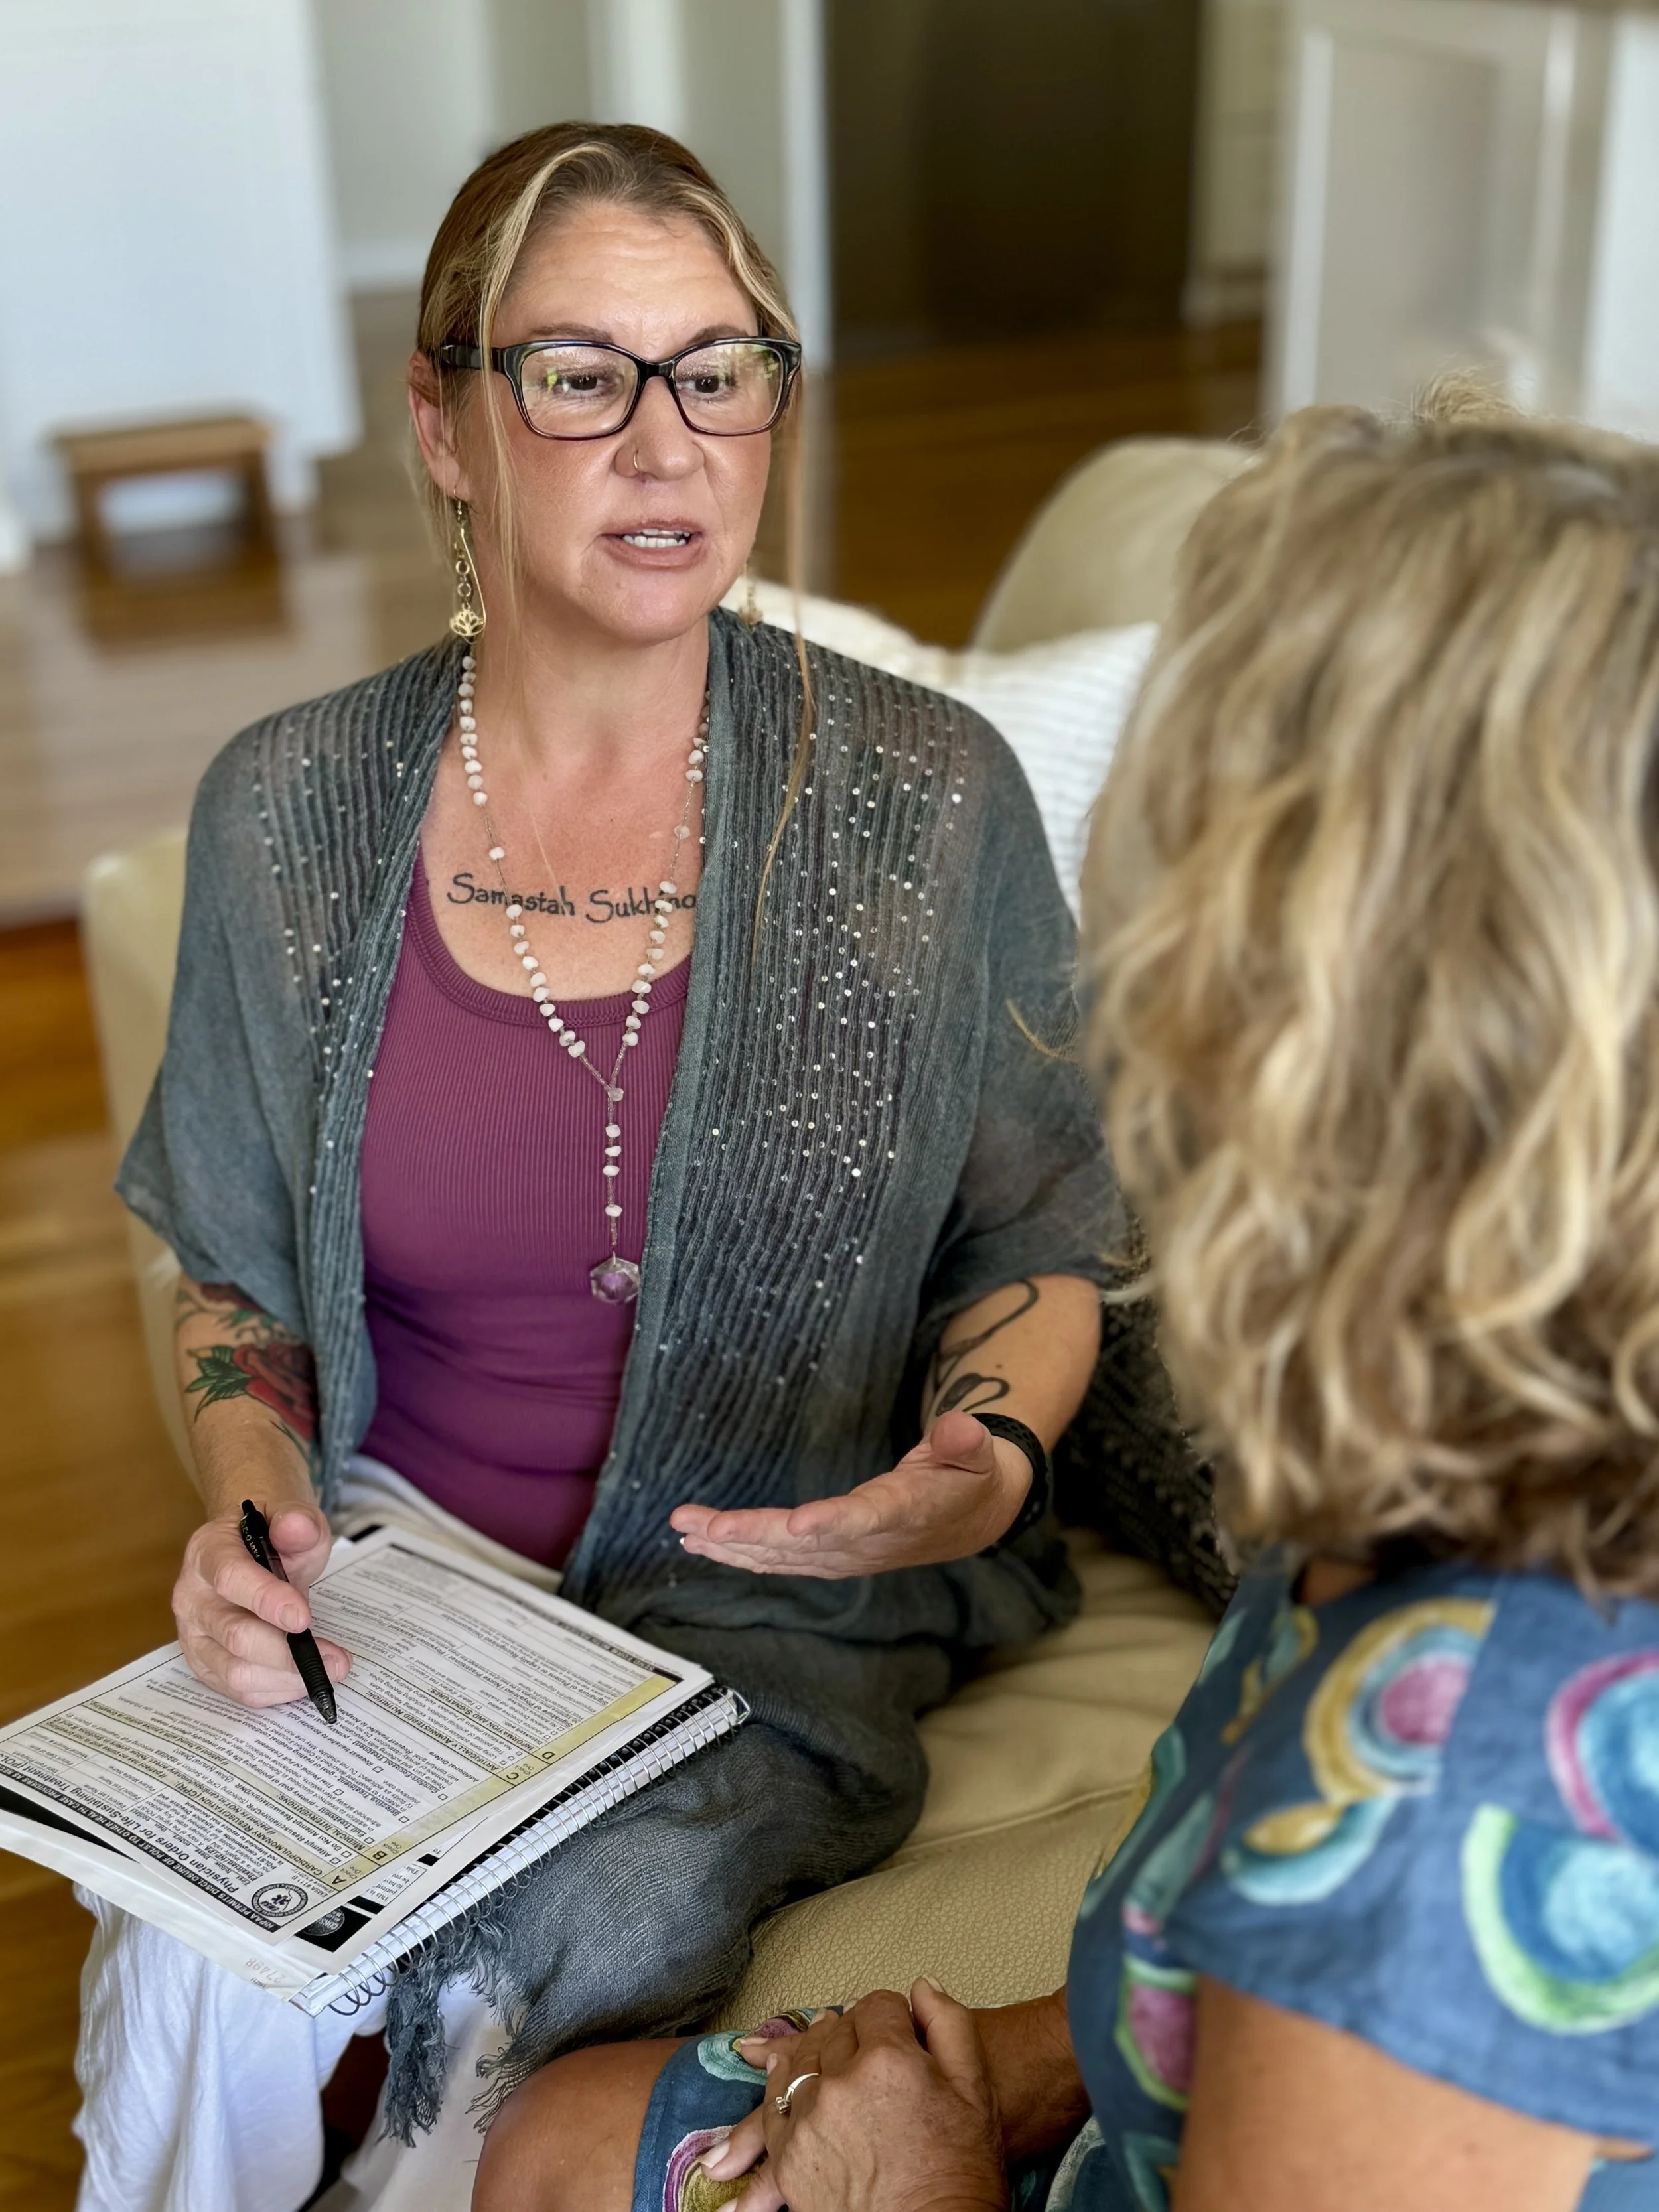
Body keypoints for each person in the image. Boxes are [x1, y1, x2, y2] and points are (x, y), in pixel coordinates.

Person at [68, 121, 1115, 2212]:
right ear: (446, 423)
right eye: (579, 372)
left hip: (781, 1604)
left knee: (534, 1948)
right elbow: (235, 1294)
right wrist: (257, 1515)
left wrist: (977, 1464)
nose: (667, 440)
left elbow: (1038, 1241)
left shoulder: (927, 802)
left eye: (719, 368)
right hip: (406, 1570)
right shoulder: (292, 812)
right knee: (202, 1941)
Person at [478, 393, 1659, 2212]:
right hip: (1189, 2097)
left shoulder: (1433, 1867)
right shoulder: (1481, 1413)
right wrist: (1028, 2064)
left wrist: (922, 2181)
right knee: (564, 2130)